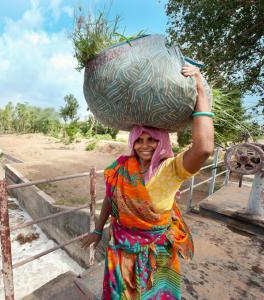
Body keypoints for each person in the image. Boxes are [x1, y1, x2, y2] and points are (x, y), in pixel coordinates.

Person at [81, 65, 214, 299]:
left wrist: (200, 89)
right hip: (121, 250)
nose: (144, 146)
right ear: (131, 141)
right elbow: (110, 200)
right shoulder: (121, 167)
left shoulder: (171, 169)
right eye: (139, 140)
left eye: (152, 140)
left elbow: (203, 149)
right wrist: (97, 230)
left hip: (156, 253)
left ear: (162, 141)